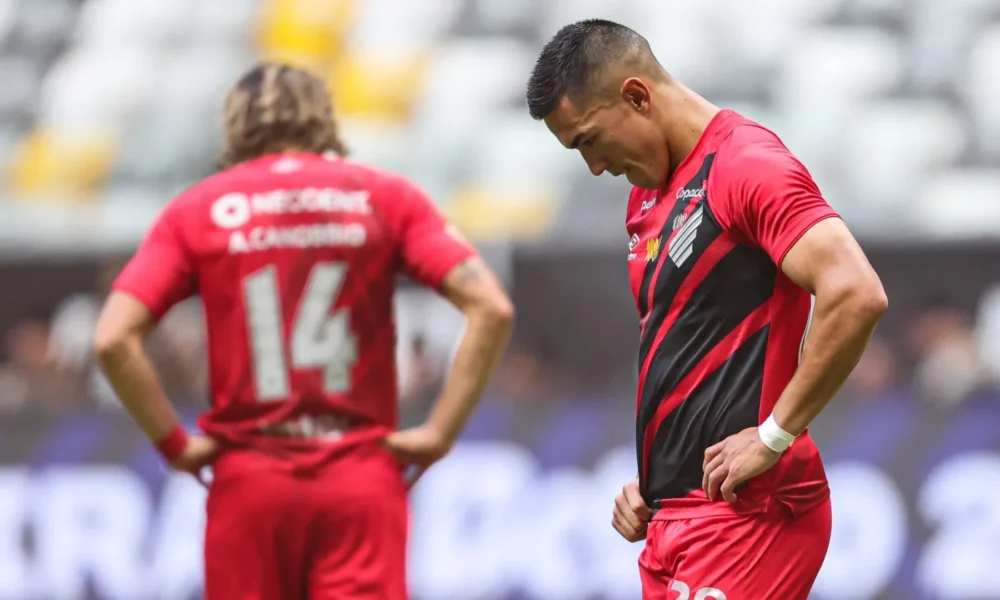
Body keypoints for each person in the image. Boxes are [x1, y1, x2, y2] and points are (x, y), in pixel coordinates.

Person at [93, 63, 513, 600]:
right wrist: (439, 434)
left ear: (236, 125)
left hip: (249, 481)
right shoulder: (382, 196)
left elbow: (112, 337)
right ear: (322, 118)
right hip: (358, 475)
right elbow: (490, 307)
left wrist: (175, 444)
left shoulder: (199, 210)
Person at [526, 20, 887, 600]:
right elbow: (688, 345)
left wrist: (773, 435)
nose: (593, 166)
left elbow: (855, 291)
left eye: (589, 140)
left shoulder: (746, 164)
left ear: (637, 96)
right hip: (677, 518)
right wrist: (658, 479)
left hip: (748, 515)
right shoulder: (646, 193)